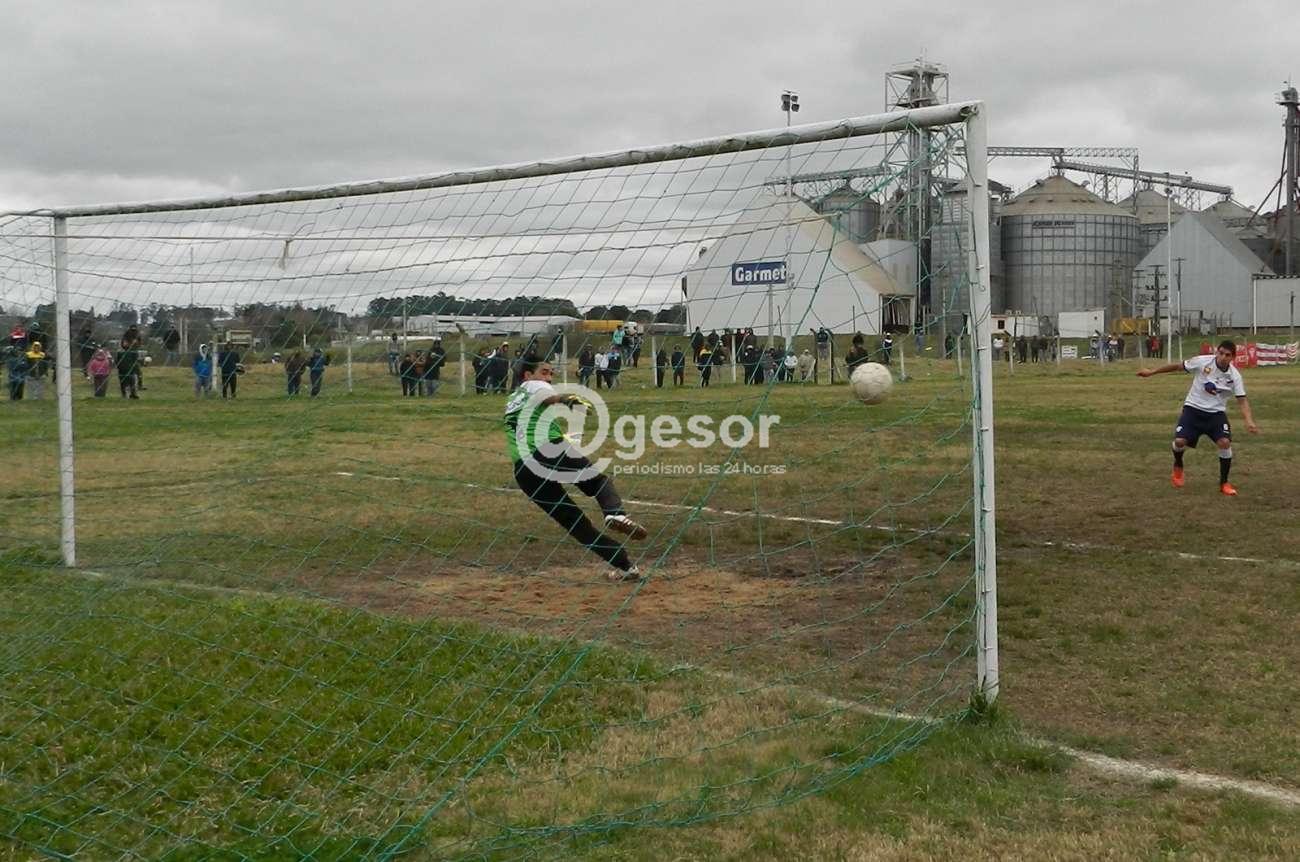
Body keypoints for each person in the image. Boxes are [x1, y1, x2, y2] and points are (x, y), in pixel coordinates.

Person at [505, 357, 647, 581]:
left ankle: (625, 567)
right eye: (544, 372)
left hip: (524, 470)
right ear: (527, 375)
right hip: (548, 451)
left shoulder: (512, 399)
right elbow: (547, 396)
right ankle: (615, 514)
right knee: (599, 481)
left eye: (551, 373)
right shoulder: (534, 385)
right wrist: (567, 399)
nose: (549, 377)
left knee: (576, 524)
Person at [1137, 340, 1259, 496]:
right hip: (1193, 409)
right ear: (1217, 352)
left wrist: (1249, 420)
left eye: (1227, 355)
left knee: (1225, 443)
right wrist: (1152, 372)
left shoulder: (1234, 376)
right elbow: (1177, 366)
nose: (1223, 357)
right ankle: (1178, 465)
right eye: (1221, 353)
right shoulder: (1202, 362)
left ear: (1233, 357)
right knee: (1180, 442)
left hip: (1216, 414)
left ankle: (1224, 483)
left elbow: (1242, 400)